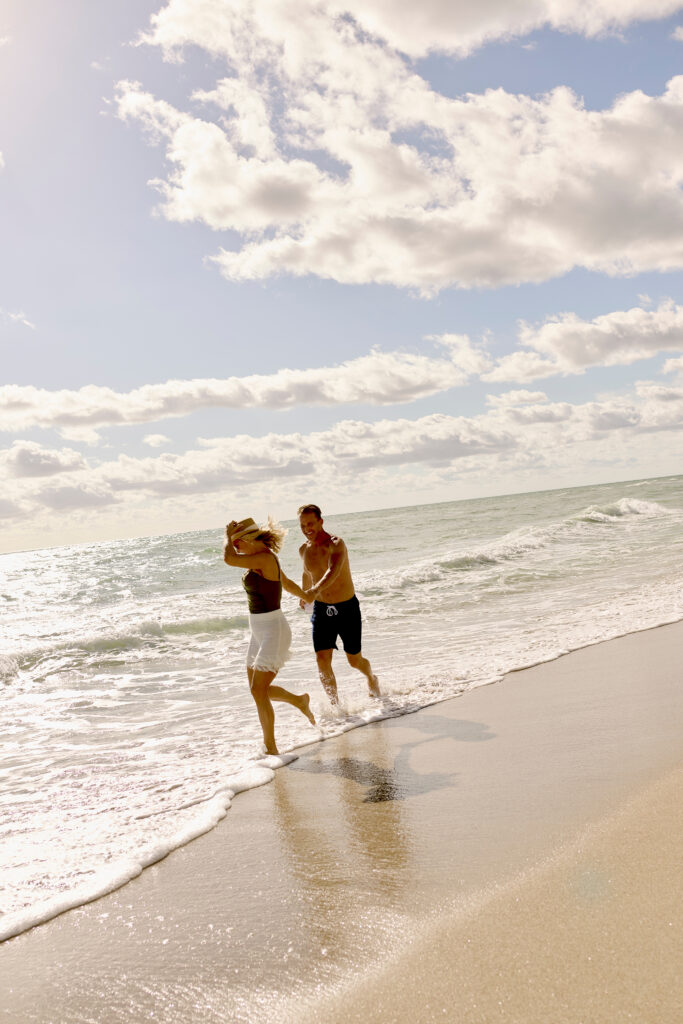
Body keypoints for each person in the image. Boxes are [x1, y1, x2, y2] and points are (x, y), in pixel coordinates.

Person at [224, 516, 316, 755]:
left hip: (274, 630)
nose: (235, 547)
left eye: (237, 542)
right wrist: (307, 596)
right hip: (257, 631)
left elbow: (228, 559)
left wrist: (226, 537)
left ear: (248, 538)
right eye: (234, 543)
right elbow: (285, 582)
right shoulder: (260, 560)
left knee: (258, 690)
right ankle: (298, 701)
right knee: (257, 690)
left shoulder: (265, 558)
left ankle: (272, 749)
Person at [298, 503, 380, 705]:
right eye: (302, 525)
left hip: (347, 609)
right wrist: (303, 593)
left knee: (355, 661)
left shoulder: (336, 544)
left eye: (310, 523)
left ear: (320, 521)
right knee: (322, 660)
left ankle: (371, 677)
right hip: (321, 610)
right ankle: (336, 707)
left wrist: (313, 591)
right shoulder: (303, 549)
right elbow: (307, 573)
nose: (307, 528)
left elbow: (332, 571)